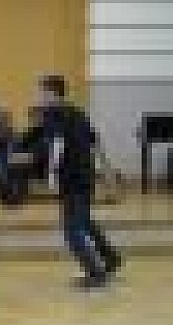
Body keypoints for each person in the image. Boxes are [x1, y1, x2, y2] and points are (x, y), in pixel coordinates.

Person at [31, 73, 122, 288]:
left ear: (52, 93)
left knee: (72, 230)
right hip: (86, 175)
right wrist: (107, 172)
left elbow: (57, 144)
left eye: (41, 92)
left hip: (71, 178)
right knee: (84, 221)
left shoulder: (52, 113)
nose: (38, 96)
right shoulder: (77, 112)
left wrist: (51, 175)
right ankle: (110, 259)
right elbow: (95, 141)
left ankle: (95, 273)